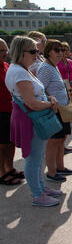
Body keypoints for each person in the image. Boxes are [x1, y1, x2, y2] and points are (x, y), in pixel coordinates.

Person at [5, 36, 62, 207]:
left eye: (37, 51)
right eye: (32, 51)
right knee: (34, 159)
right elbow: (31, 103)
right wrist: (50, 103)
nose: (37, 55)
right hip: (30, 119)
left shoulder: (23, 70)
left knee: (37, 157)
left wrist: (48, 98)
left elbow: (36, 94)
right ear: (19, 52)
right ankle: (37, 194)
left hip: (31, 118)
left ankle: (41, 188)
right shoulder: (19, 72)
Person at [37, 39, 72, 183]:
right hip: (54, 110)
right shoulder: (46, 68)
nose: (60, 53)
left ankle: (60, 167)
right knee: (53, 141)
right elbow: (40, 89)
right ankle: (52, 172)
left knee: (61, 139)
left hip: (62, 109)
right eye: (56, 50)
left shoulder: (53, 66)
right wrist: (50, 101)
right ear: (48, 52)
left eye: (61, 50)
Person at [0, 38, 24, 186]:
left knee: (10, 142)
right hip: (1, 112)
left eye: (5, 50)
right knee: (1, 144)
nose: (4, 53)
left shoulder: (6, 66)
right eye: (1, 51)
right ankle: (1, 172)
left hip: (10, 110)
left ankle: (9, 167)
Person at [57, 41, 72, 136]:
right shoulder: (58, 62)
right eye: (63, 50)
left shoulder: (69, 61)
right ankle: (66, 121)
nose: (66, 52)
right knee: (65, 104)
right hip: (63, 86)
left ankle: (71, 121)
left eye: (67, 50)